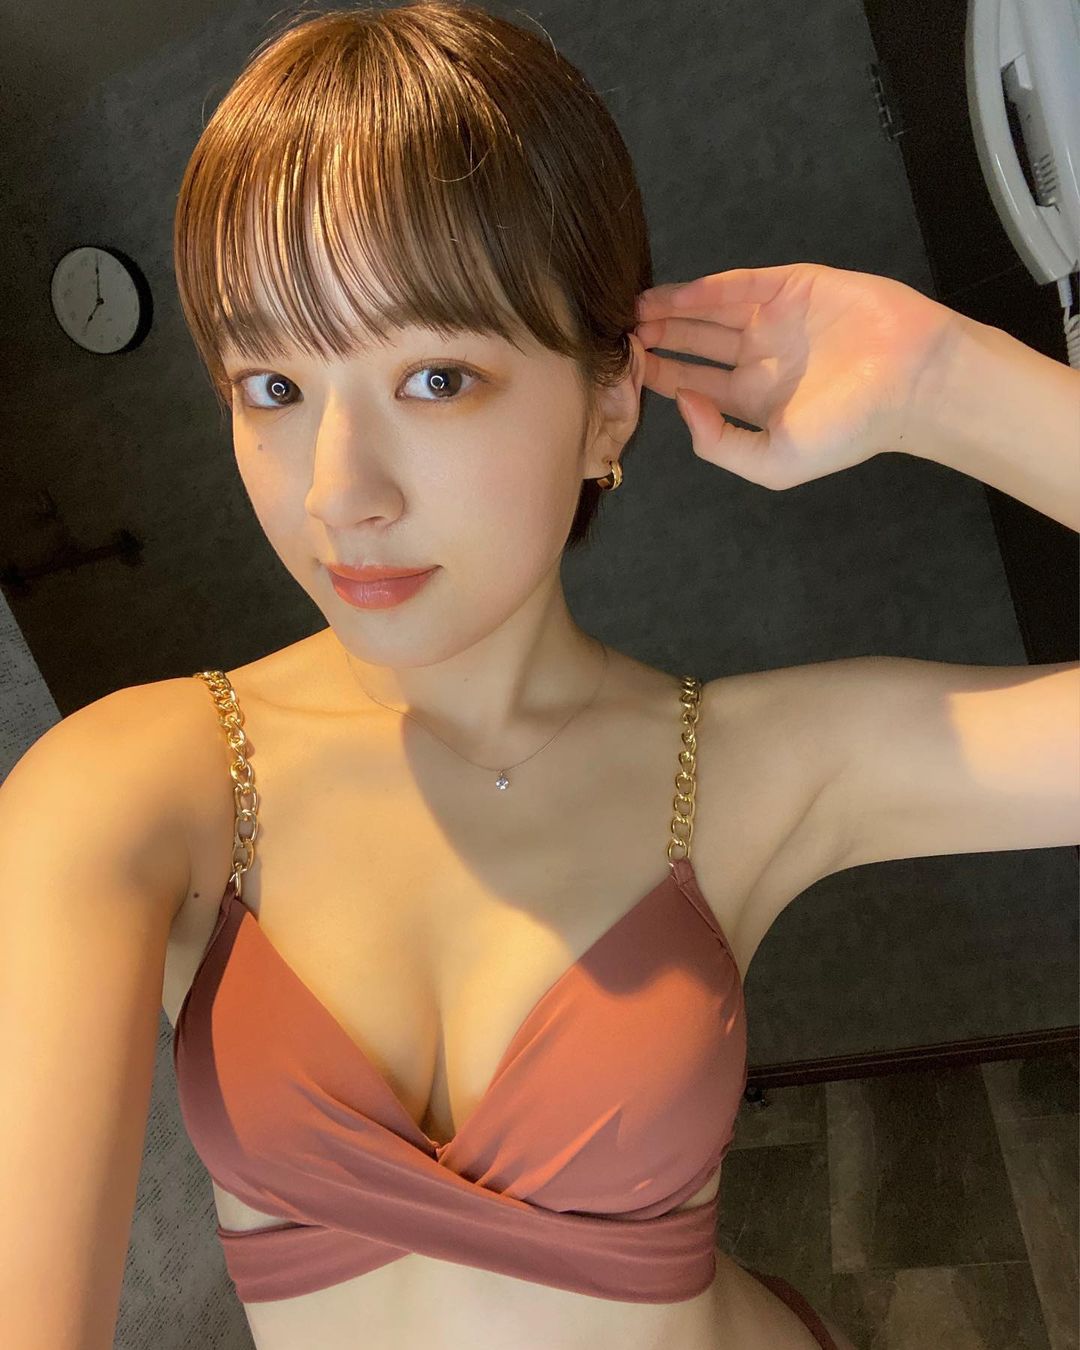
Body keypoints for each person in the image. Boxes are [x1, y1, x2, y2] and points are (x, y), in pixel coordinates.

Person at [3, 4, 1076, 1349]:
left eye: (436, 377)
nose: (339, 493)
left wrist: (943, 378)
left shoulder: (747, 769)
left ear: (608, 404)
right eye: (272, 387)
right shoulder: (138, 787)